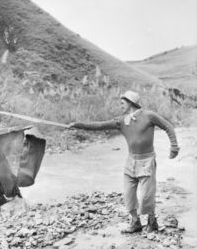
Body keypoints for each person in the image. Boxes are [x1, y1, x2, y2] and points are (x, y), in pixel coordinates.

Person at [69, 90, 180, 233]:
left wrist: (174, 147)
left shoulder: (149, 116)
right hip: (130, 162)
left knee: (147, 194)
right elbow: (99, 126)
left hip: (147, 160)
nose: (120, 105)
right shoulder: (121, 121)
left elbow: (168, 126)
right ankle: (135, 223)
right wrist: (77, 125)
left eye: (123, 102)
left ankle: (152, 222)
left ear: (131, 102)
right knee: (128, 194)